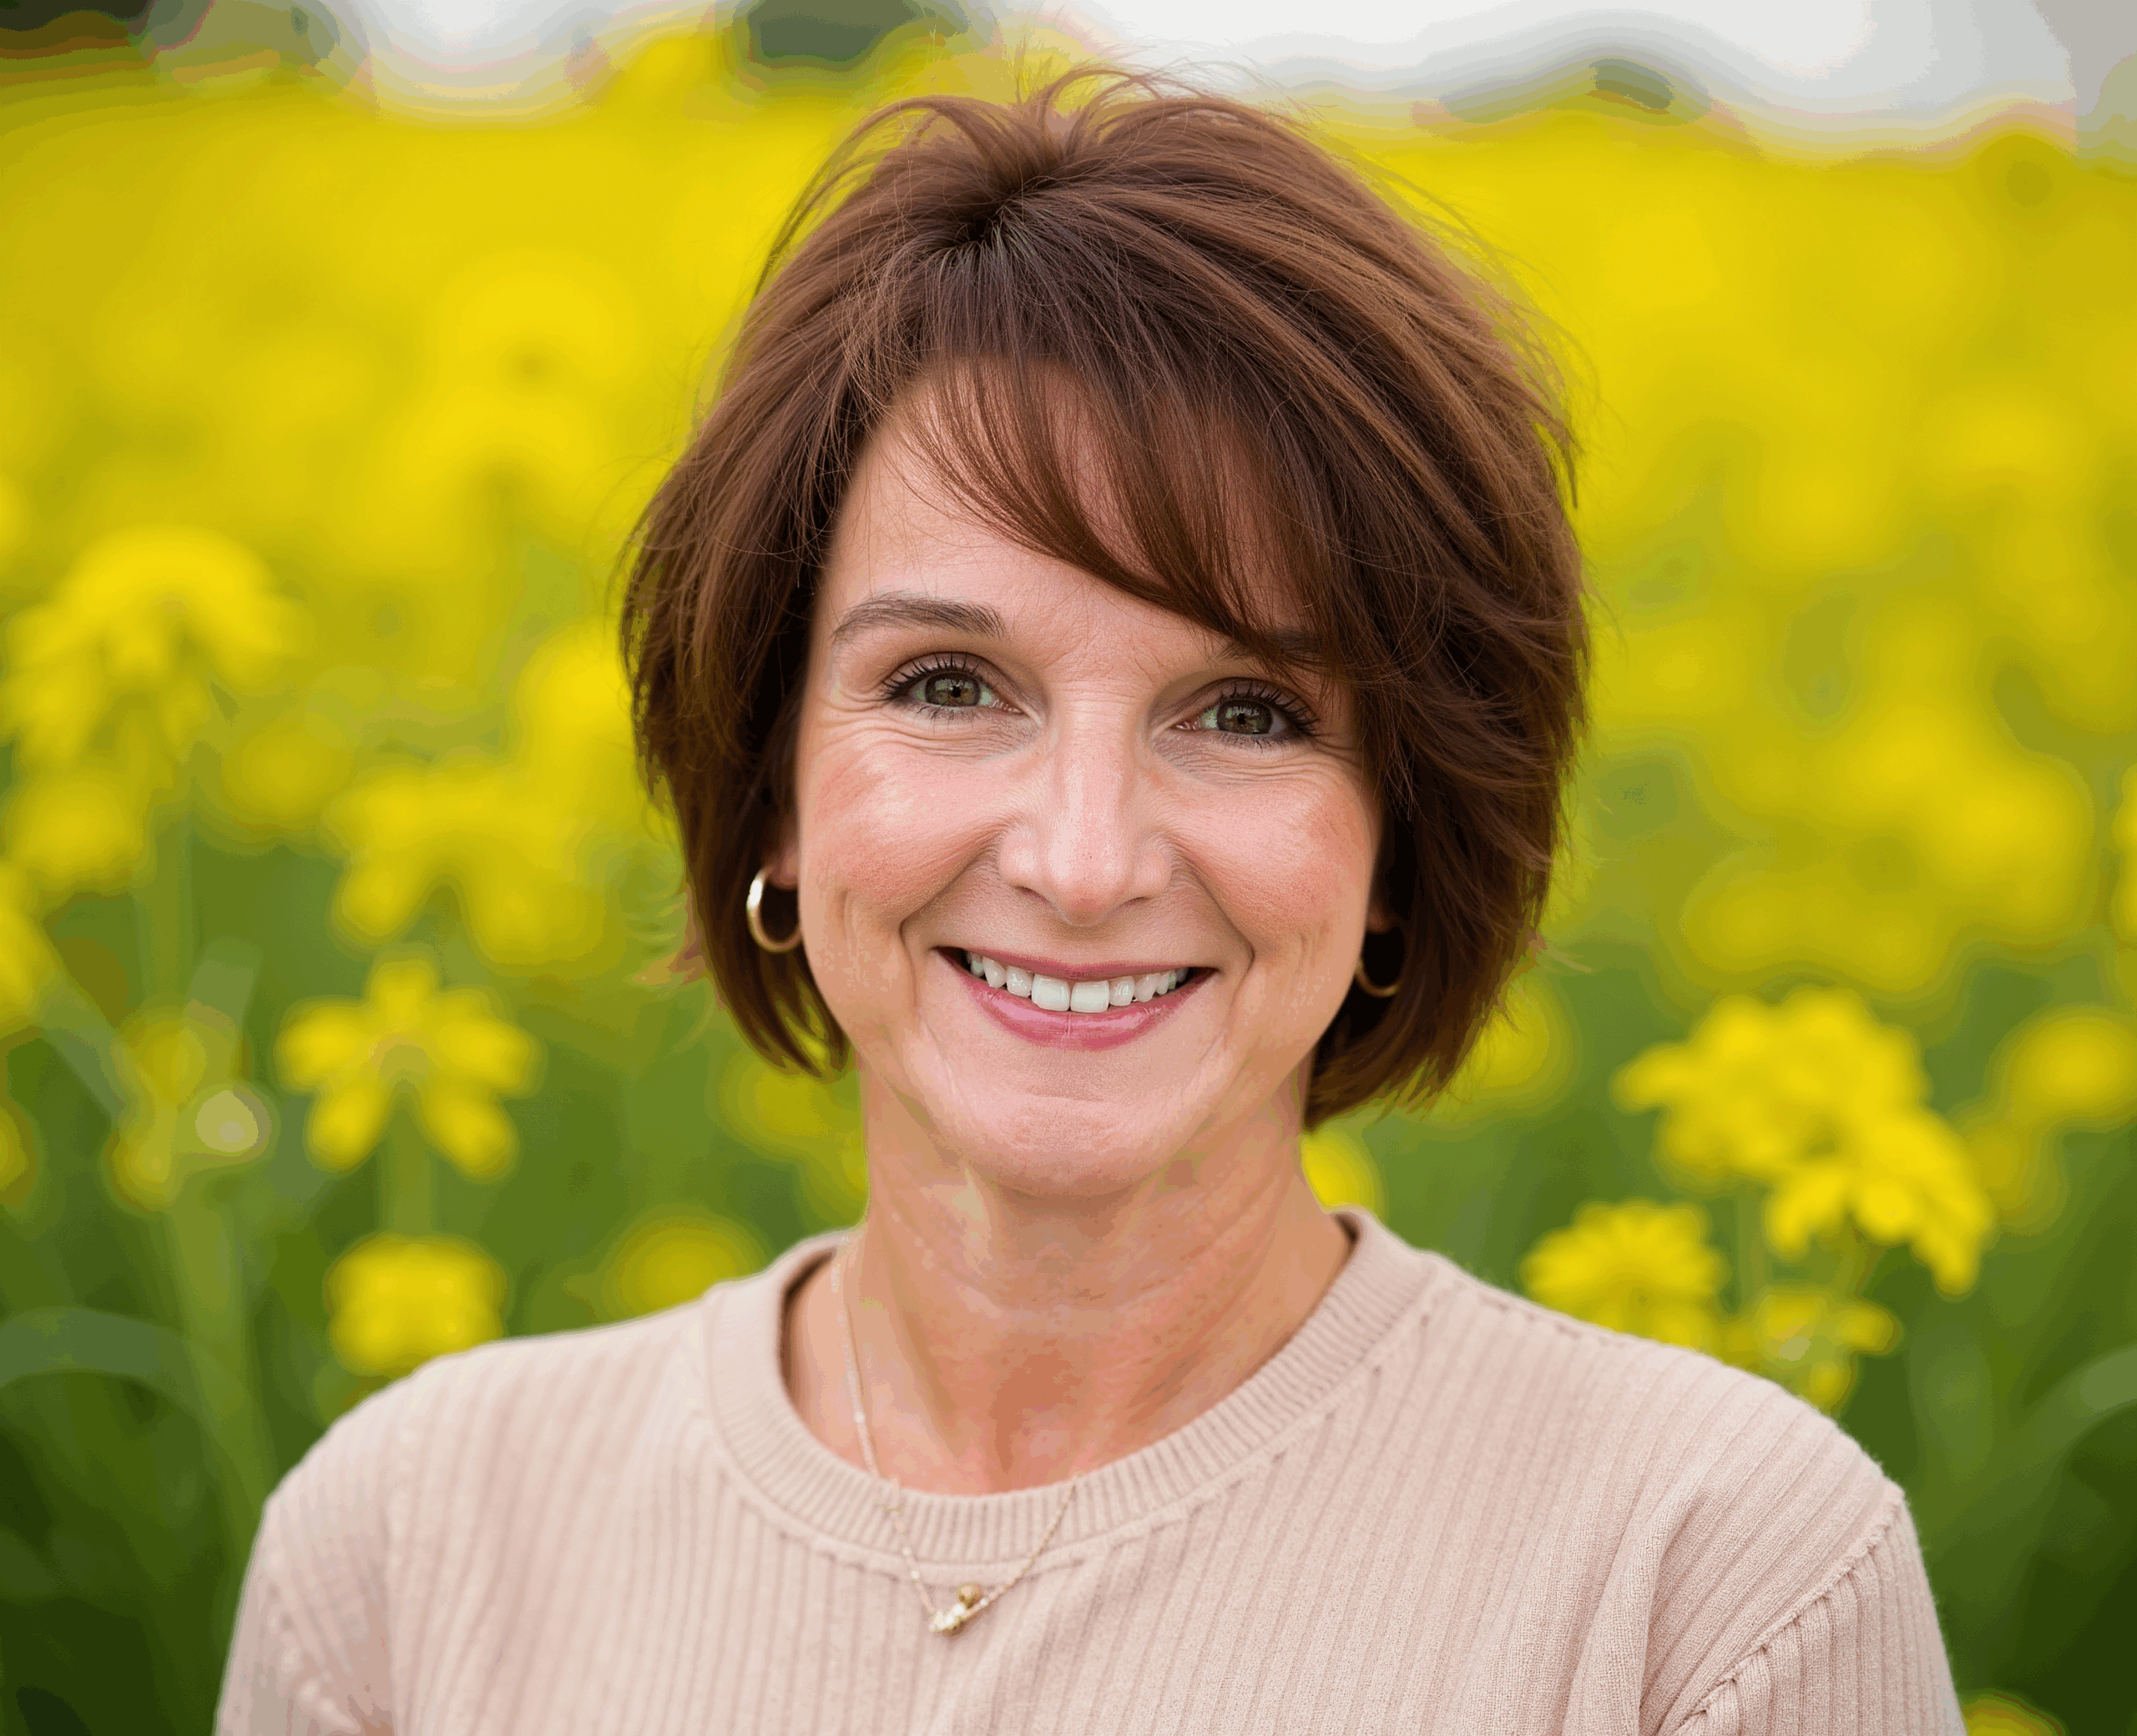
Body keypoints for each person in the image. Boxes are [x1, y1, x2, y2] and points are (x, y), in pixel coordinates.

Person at [217, 68, 1964, 1734]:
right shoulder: (401, 1547)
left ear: (1395, 846)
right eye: (948, 685)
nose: (1079, 855)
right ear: (770, 784)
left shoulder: (1715, 1583)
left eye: (1246, 712)